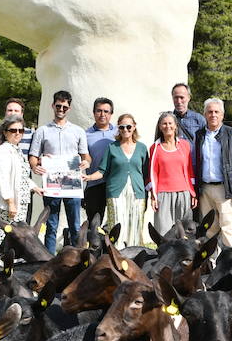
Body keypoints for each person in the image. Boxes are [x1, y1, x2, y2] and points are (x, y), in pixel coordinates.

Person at [29, 90, 90, 253]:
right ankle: (50, 258)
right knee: (51, 225)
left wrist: (85, 162)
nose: (61, 109)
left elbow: (87, 157)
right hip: (52, 186)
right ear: (53, 106)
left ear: (69, 108)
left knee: (75, 225)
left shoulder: (78, 131)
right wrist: (36, 165)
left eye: (64, 107)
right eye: (58, 106)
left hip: (72, 185)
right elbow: (33, 157)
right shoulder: (42, 131)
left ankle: (77, 257)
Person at [83, 112, 148, 247]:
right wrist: (88, 177)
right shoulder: (112, 147)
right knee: (117, 227)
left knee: (135, 227)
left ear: (134, 127)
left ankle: (134, 258)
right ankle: (116, 257)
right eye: (122, 127)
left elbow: (146, 173)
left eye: (128, 127)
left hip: (137, 192)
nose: (125, 130)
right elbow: (102, 171)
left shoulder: (142, 148)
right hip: (115, 193)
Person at [192, 97, 232, 250]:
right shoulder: (199, 135)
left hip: (225, 188)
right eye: (210, 112)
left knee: (228, 228)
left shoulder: (231, 134)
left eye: (217, 112)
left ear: (222, 115)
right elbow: (195, 162)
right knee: (209, 229)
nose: (213, 115)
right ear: (204, 114)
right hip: (205, 189)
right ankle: (212, 263)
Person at [0, 119, 35, 255]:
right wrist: (10, 202)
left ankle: (13, 267)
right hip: (8, 205)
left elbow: (21, 177)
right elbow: (2, 179)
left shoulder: (17, 150)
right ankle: (1, 268)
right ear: (5, 132)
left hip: (20, 203)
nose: (17, 133)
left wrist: (35, 187)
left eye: (21, 130)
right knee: (5, 239)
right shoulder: (3, 151)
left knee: (17, 239)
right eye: (13, 130)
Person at [148, 112, 195, 241]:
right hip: (163, 195)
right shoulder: (155, 148)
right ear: (159, 127)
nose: (167, 126)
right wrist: (153, 195)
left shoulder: (185, 145)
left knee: (185, 232)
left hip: (183, 194)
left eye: (170, 123)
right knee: (164, 232)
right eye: (164, 123)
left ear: (175, 126)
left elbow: (189, 170)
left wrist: (193, 193)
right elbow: (153, 174)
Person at [0, 96, 36, 205]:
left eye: (16, 110)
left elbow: (34, 159)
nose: (13, 113)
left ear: (22, 114)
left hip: (24, 186)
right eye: (10, 110)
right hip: (2, 187)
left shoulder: (31, 135)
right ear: (5, 113)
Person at [82, 96, 117, 229]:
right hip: (94, 184)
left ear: (111, 114)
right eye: (99, 111)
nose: (102, 114)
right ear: (94, 113)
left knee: (115, 222)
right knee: (94, 223)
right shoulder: (85, 134)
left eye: (106, 111)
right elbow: (84, 156)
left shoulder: (119, 132)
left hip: (114, 183)